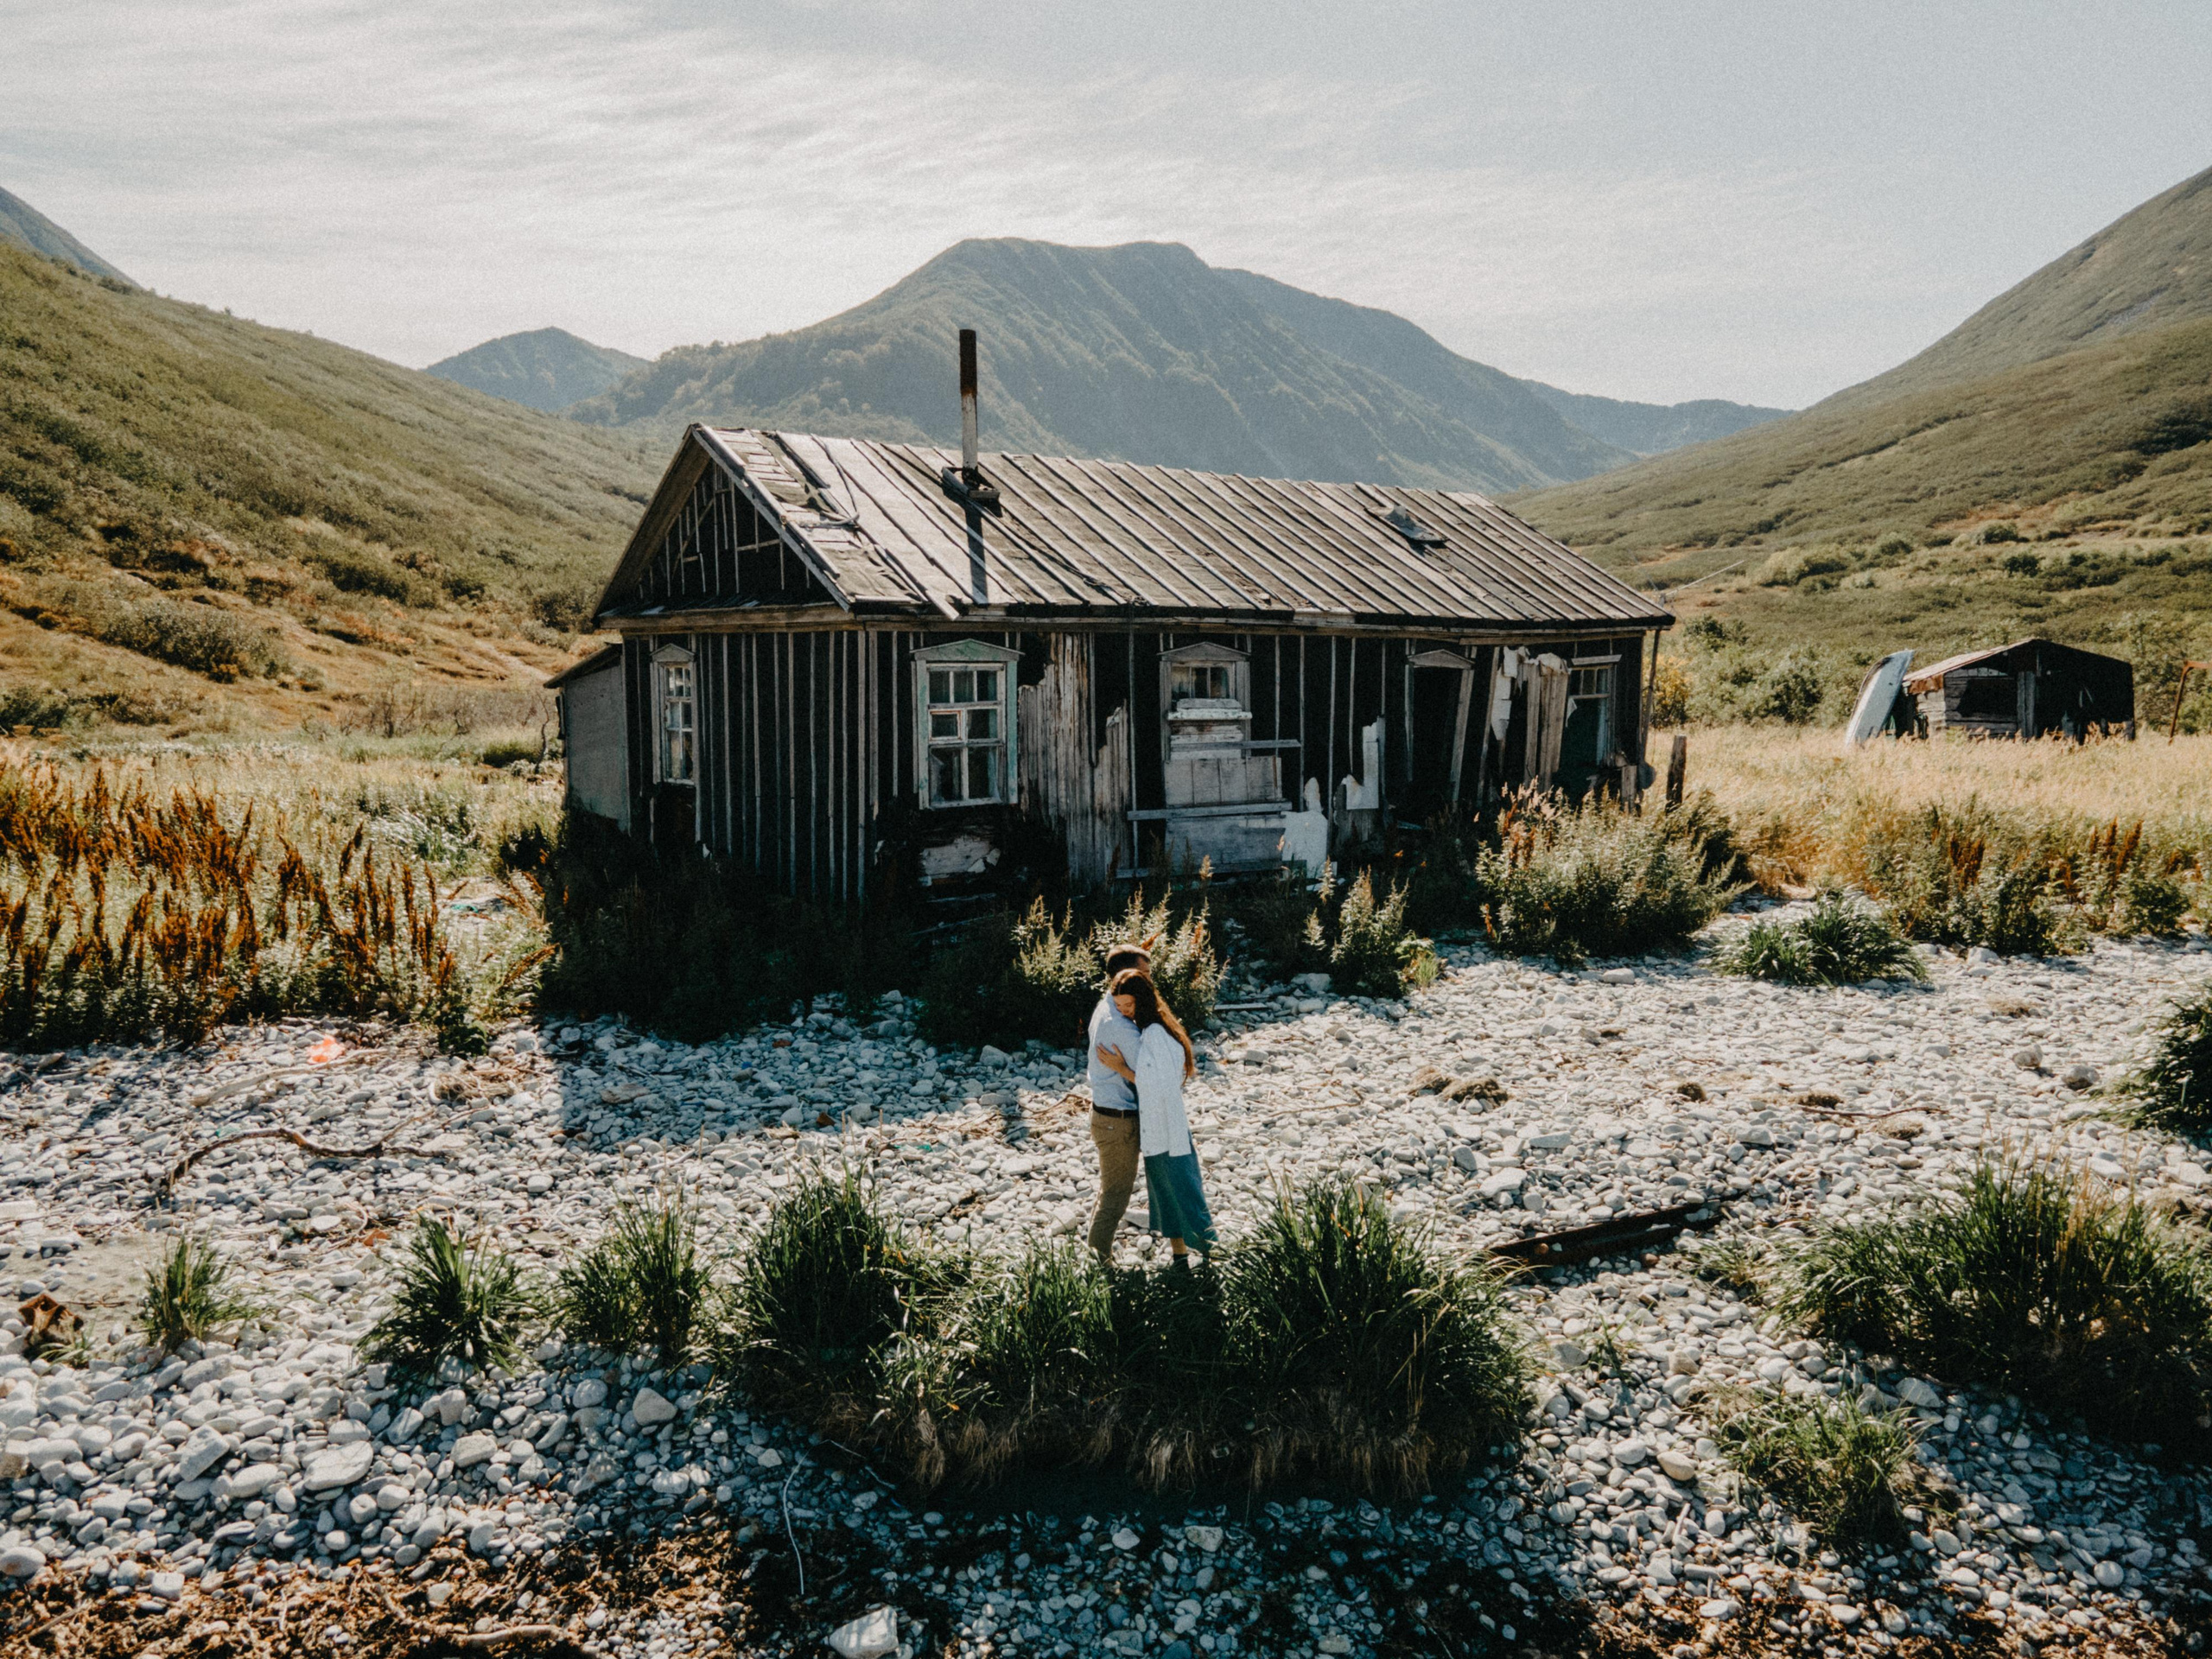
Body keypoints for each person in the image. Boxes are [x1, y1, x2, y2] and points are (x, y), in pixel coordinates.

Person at [1084, 940, 1193, 1263]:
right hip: (1118, 1121)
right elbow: (1153, 1078)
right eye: (1145, 974)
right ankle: (1098, 1264)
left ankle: (1100, 1255)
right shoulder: (1121, 1024)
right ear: (1127, 976)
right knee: (1116, 1196)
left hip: (1108, 1115)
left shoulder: (1106, 1007)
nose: (1150, 980)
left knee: (1116, 1190)